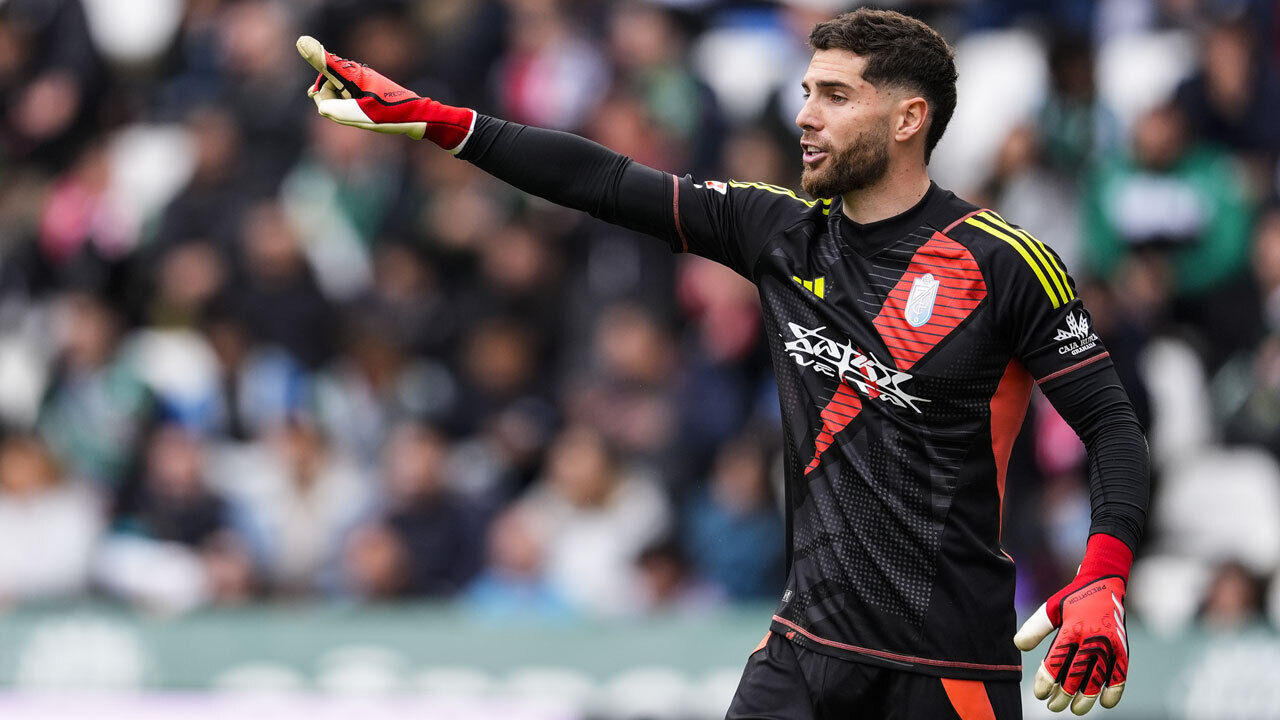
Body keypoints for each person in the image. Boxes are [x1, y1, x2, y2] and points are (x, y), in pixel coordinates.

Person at [296, 8, 1149, 718]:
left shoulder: (1003, 262)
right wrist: (437, 122)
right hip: (803, 659)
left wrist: (1104, 575)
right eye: (806, 91)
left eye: (835, 95)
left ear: (907, 118)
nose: (805, 115)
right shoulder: (778, 233)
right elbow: (602, 180)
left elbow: (1111, 424)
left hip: (947, 676)